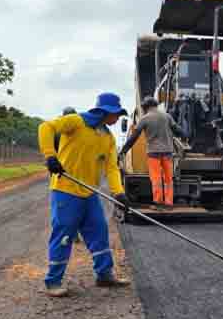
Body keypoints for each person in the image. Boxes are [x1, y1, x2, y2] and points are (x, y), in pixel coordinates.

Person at [37, 92, 131, 297]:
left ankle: (104, 275)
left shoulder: (107, 137)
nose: (117, 119)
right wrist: (50, 156)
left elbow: (112, 168)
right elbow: (46, 127)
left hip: (89, 193)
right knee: (63, 236)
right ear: (106, 112)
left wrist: (119, 193)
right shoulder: (76, 122)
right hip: (65, 190)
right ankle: (53, 281)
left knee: (99, 232)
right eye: (117, 114)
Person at [119, 96, 186, 209]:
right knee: (168, 179)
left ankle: (158, 203)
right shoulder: (167, 116)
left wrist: (124, 150)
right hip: (168, 152)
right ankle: (169, 203)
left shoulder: (145, 118)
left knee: (156, 179)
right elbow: (177, 130)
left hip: (153, 153)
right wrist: (185, 136)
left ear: (145, 107)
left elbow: (134, 136)